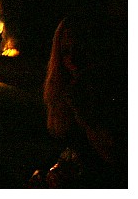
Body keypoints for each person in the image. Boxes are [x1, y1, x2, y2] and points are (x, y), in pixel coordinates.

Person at [28, 14, 127, 188]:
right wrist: (47, 171)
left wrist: (82, 111)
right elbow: (64, 145)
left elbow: (115, 157)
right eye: (65, 51)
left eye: (79, 49)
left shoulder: (110, 92)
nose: (72, 59)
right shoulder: (62, 89)